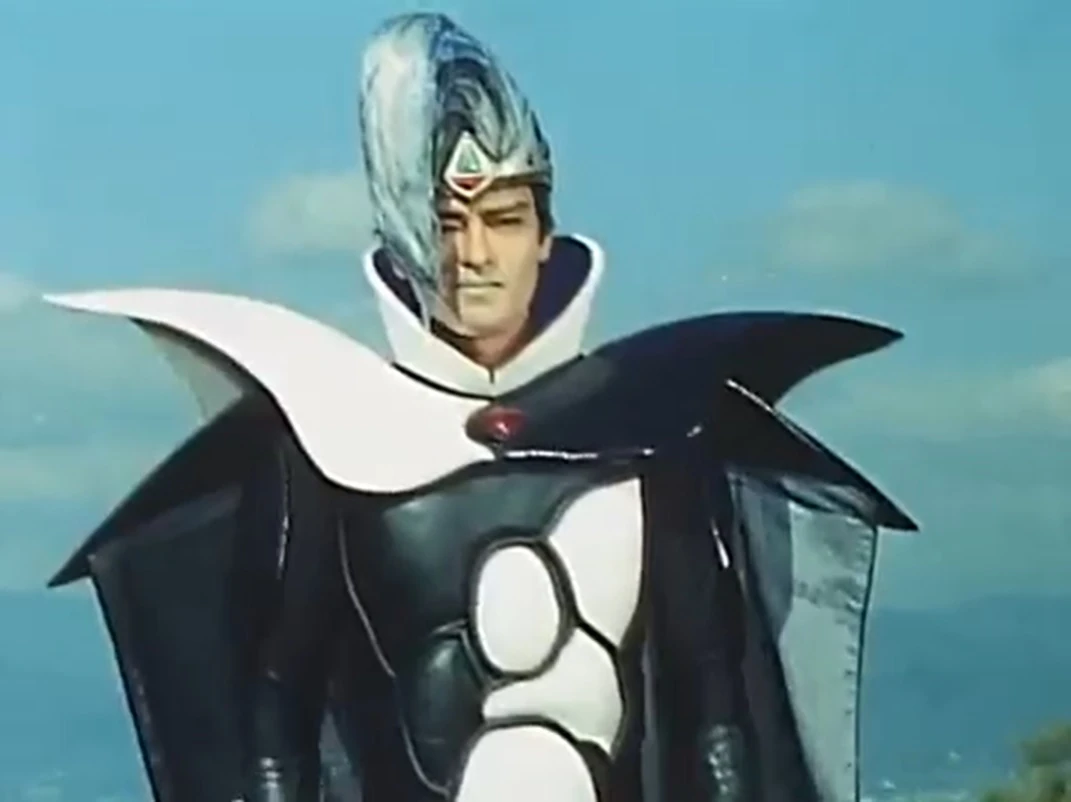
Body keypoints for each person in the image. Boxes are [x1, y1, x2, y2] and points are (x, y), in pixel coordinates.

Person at [44, 12, 917, 802]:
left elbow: (713, 705)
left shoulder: (658, 430)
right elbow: (277, 718)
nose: (472, 256)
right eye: (444, 224)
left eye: (501, 220)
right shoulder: (326, 440)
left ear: (544, 236)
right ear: (403, 240)